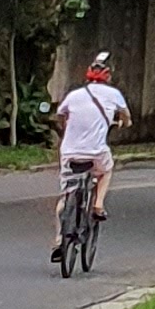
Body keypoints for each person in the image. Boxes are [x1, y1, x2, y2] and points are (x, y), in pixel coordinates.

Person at [48, 53, 129, 254]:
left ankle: (59, 239)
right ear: (107, 77)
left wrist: (67, 125)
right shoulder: (114, 95)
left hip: (70, 152)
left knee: (66, 194)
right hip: (96, 152)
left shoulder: (74, 95)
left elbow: (60, 114)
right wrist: (122, 122)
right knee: (106, 170)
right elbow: (126, 117)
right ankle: (98, 205)